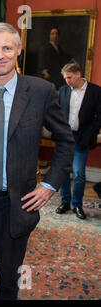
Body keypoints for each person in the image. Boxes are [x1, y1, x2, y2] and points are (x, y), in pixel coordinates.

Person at [0, 22, 74, 300]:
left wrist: (49, 186)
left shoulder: (42, 91)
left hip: (17, 202)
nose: (0, 55)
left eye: (7, 48)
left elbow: (66, 141)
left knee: (10, 279)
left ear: (18, 50)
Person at [55, 61, 101, 219]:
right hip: (65, 138)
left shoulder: (95, 91)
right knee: (63, 171)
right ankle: (65, 201)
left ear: (78, 74)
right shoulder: (63, 90)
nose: (67, 81)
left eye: (69, 77)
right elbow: (58, 113)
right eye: (65, 78)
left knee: (79, 173)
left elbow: (99, 116)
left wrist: (91, 133)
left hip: (82, 137)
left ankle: (77, 205)